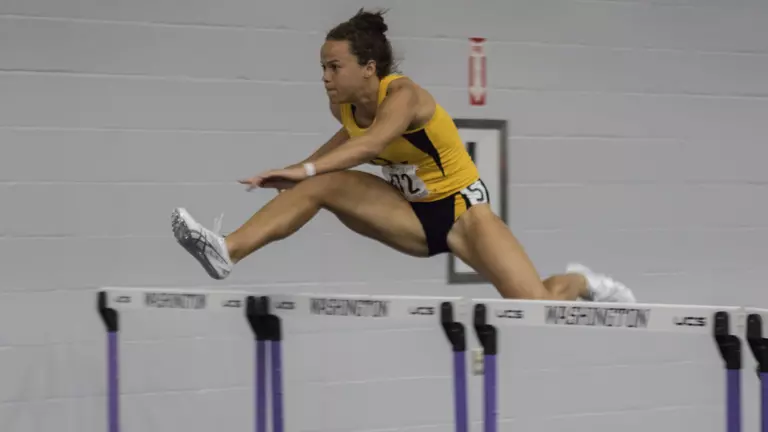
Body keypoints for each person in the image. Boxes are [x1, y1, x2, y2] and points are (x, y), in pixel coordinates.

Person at [170, 8, 636, 304]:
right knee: (321, 185)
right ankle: (226, 249)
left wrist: (303, 169)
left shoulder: (406, 96)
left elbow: (370, 145)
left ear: (369, 69)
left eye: (335, 67)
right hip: (410, 214)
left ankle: (582, 283)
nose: (326, 77)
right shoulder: (343, 103)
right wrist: (299, 174)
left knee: (537, 306)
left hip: (462, 214)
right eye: (322, 68)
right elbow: (346, 138)